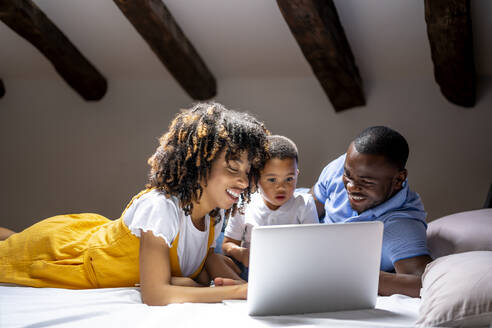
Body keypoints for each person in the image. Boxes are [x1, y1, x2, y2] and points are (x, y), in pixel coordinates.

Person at [0, 102, 270, 305]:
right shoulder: (160, 207)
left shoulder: (214, 216)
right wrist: (237, 291)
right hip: (69, 256)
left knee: (13, 238)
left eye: (248, 173)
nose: (244, 182)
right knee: (9, 251)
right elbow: (155, 294)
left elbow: (197, 259)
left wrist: (236, 283)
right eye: (233, 168)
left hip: (93, 236)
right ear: (199, 165)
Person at [310, 126, 432, 298]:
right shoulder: (341, 167)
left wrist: (350, 275)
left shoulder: (401, 226)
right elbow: (304, 211)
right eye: (348, 175)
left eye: (366, 182)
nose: (351, 187)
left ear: (399, 179)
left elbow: (424, 283)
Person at [222, 135, 318, 280]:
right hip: (253, 272)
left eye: (289, 179)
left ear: (297, 175)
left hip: (295, 272)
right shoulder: (244, 204)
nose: (281, 187)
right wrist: (242, 254)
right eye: (272, 180)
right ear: (255, 178)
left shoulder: (304, 204)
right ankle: (238, 288)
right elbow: (227, 244)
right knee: (223, 263)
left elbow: (315, 248)